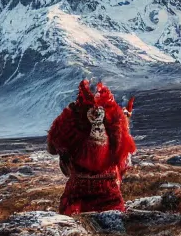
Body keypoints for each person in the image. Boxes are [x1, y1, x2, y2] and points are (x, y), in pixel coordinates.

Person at [47, 80, 136, 215]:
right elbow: (123, 154)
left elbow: (53, 148)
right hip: (109, 191)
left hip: (77, 193)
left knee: (73, 219)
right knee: (114, 223)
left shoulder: (69, 119)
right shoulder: (115, 119)